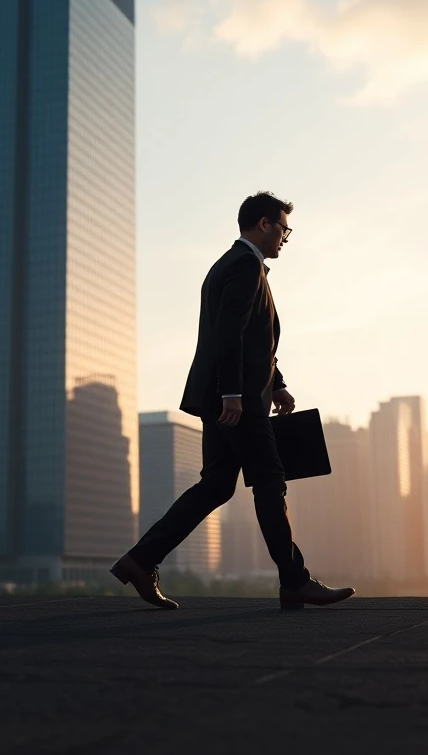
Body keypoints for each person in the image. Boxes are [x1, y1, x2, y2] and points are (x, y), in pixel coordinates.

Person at [111, 192, 355, 610]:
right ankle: (295, 581)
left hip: (232, 396)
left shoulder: (232, 265)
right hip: (236, 401)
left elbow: (252, 336)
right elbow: (228, 332)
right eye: (283, 229)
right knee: (270, 481)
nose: (285, 238)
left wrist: (276, 382)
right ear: (263, 224)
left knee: (216, 486)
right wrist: (233, 394)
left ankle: (140, 560)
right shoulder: (243, 265)